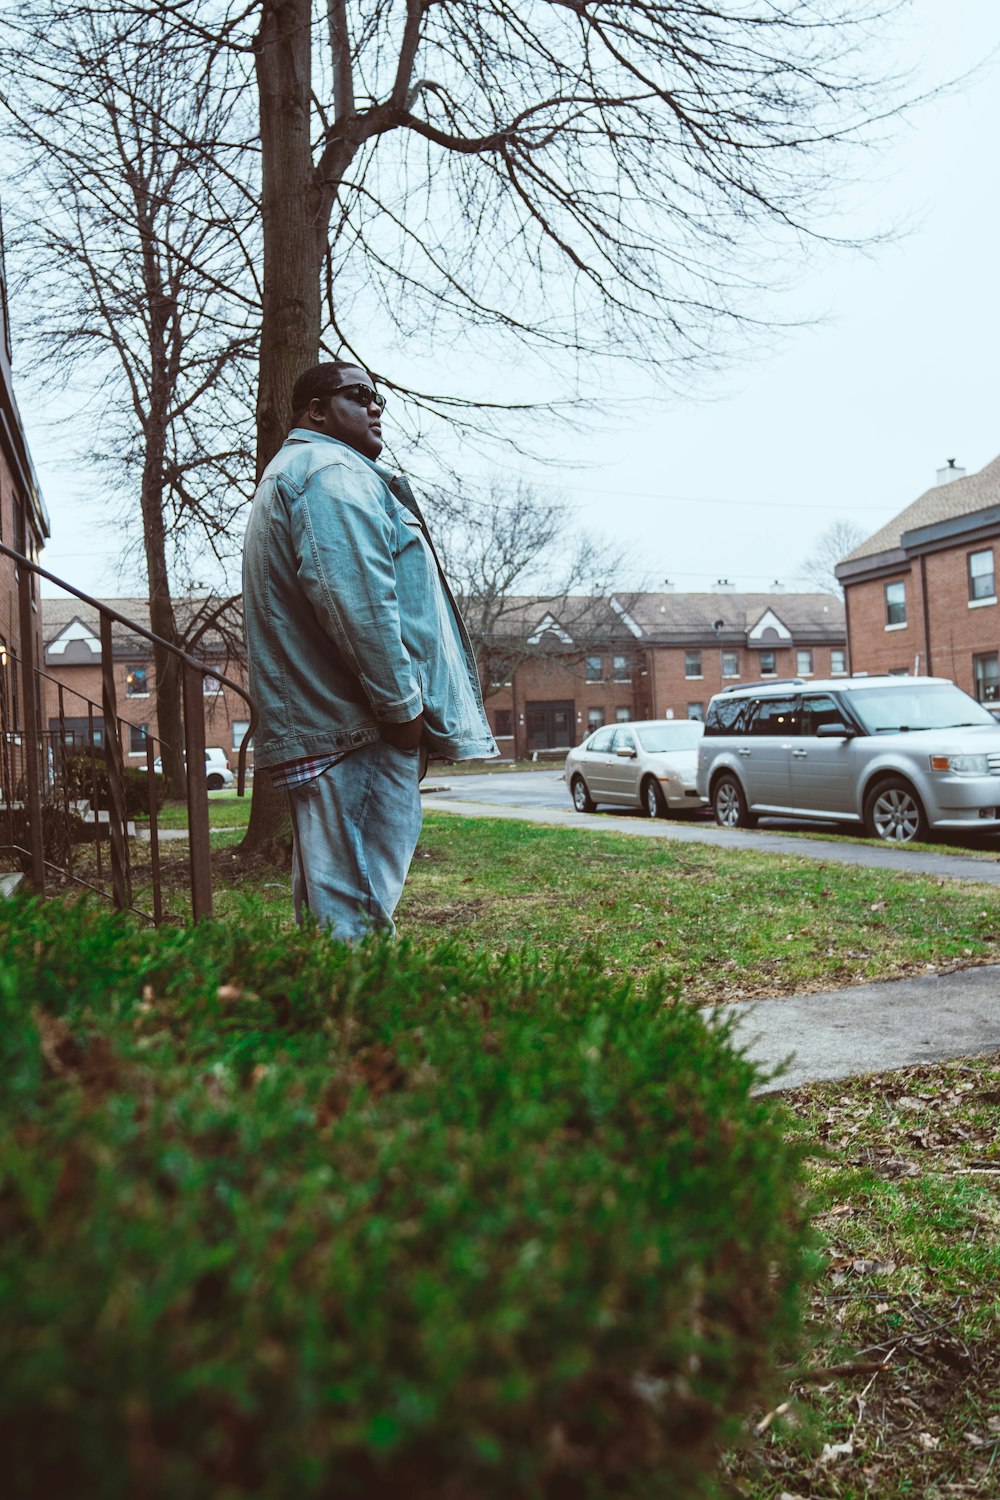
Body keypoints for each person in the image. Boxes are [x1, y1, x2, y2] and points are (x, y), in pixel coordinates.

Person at [242, 360, 497, 939]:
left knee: (334, 917)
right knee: (353, 925)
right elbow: (357, 606)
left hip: (334, 731)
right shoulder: (328, 472)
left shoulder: (302, 473)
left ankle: (328, 1022)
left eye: (379, 396)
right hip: (356, 733)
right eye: (360, 395)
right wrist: (403, 713)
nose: (377, 406)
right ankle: (359, 1028)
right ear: (317, 411)